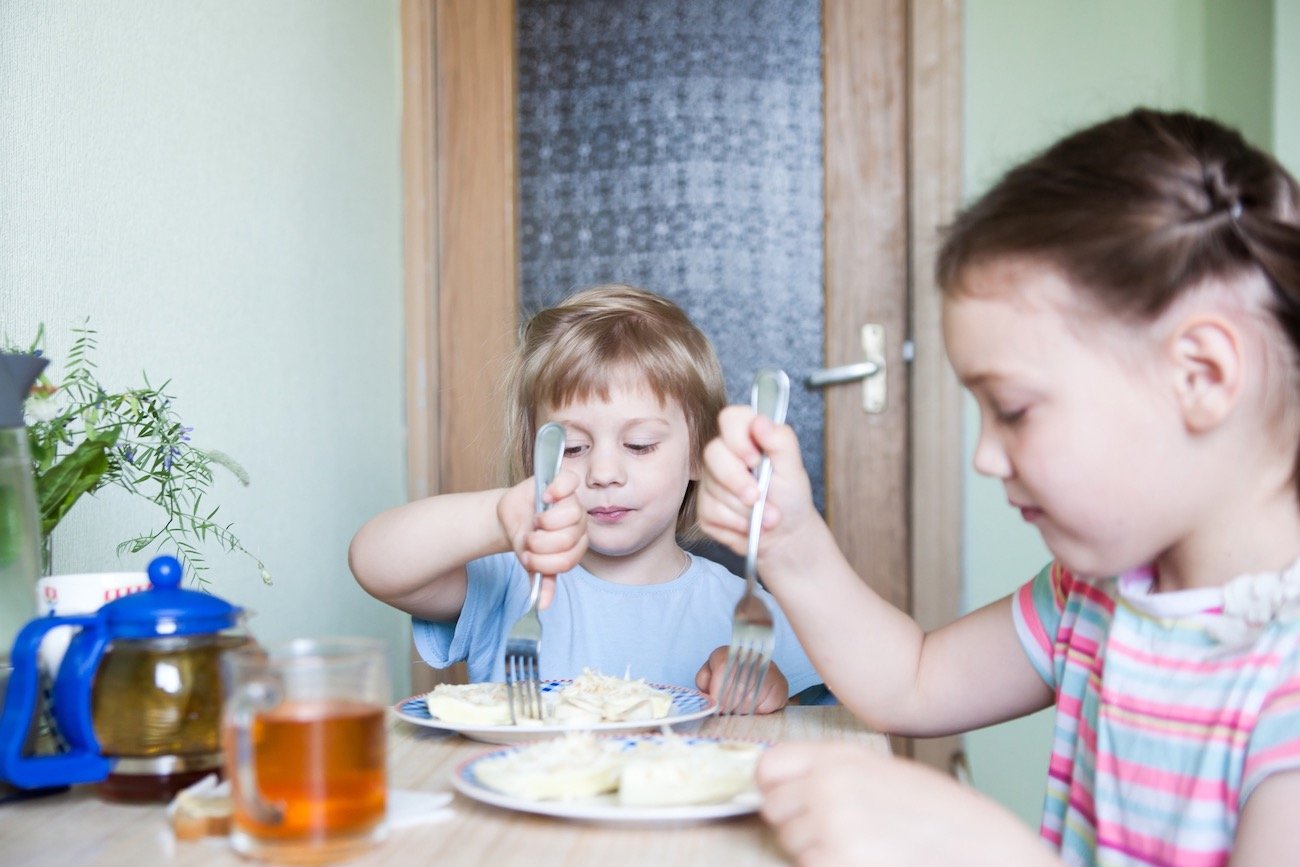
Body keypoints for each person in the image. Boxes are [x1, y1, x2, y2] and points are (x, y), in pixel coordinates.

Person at [699, 108, 1300, 865]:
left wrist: (982, 848)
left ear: (1201, 376)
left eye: (1013, 409)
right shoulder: (1094, 594)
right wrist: (790, 541)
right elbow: (911, 681)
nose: (986, 454)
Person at [349, 284, 824, 712]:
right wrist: (497, 518)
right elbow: (375, 563)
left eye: (639, 445)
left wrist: (770, 691)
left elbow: (827, 725)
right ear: (533, 456)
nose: (602, 473)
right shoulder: (511, 582)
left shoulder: (748, 612)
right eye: (572, 448)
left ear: (699, 454)